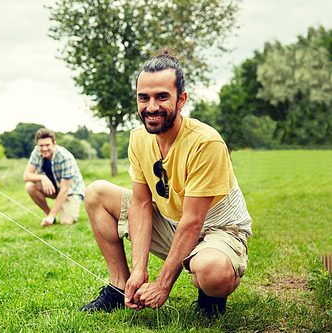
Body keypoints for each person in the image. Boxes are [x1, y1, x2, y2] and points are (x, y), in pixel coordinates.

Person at [79, 49, 252, 319]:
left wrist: (162, 285)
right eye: (143, 98)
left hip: (218, 230)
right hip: (172, 225)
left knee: (211, 272)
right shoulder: (138, 138)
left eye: (162, 97)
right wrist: (139, 269)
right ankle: (120, 286)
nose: (151, 107)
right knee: (96, 193)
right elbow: (140, 203)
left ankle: (212, 292)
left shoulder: (206, 143)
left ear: (181, 100)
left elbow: (194, 221)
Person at [23, 128, 86, 227]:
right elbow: (26, 176)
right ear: (37, 145)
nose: (44, 149)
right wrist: (42, 177)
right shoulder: (36, 151)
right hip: (54, 187)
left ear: (54, 143)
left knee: (65, 222)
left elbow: (65, 189)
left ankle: (67, 213)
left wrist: (53, 214)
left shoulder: (65, 157)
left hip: (71, 191)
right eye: (41, 145)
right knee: (30, 186)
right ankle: (49, 215)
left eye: (47, 145)